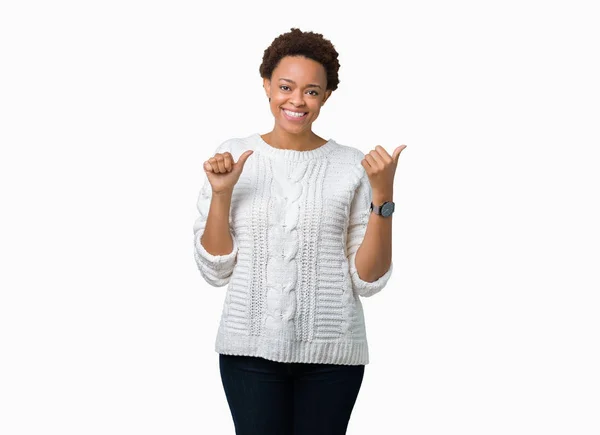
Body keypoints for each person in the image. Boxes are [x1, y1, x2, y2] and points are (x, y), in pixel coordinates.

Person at [193, 27, 407, 435]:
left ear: (326, 96)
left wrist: (383, 192)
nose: (296, 100)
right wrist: (222, 193)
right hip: (249, 353)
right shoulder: (235, 154)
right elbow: (214, 270)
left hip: (333, 357)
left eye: (311, 91)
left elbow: (368, 279)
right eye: (286, 86)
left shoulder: (352, 165)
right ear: (266, 85)